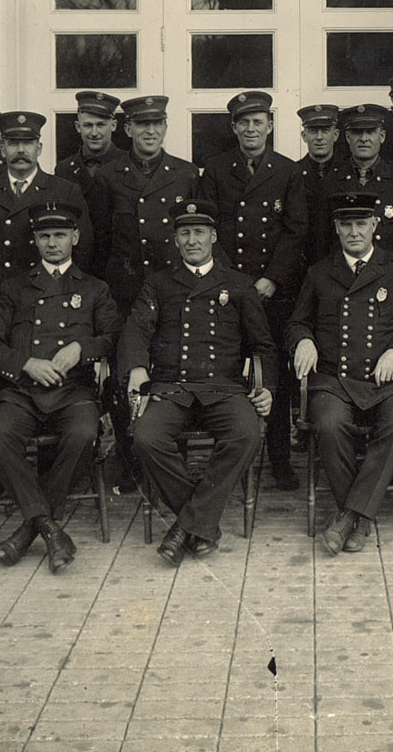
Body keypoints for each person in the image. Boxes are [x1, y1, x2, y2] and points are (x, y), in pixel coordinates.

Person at [120, 200, 277, 566]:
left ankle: (184, 527)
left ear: (213, 237)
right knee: (146, 437)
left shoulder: (237, 285)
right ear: (175, 240)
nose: (192, 240)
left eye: (199, 232)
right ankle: (201, 524)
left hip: (223, 388)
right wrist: (137, 369)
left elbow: (263, 345)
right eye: (185, 233)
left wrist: (266, 387)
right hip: (172, 387)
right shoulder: (159, 283)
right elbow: (136, 330)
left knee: (246, 434)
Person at [0, 202, 122, 573]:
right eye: (45, 236)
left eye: (60, 235)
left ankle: (29, 529)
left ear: (75, 237)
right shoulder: (13, 289)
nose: (53, 243)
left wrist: (81, 348)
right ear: (35, 241)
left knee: (84, 434)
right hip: (22, 390)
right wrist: (26, 362)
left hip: (74, 391)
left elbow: (113, 336)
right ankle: (49, 527)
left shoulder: (94, 289)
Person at [287, 192, 393, 555]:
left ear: (374, 226)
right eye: (346, 224)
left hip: (386, 379)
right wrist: (303, 340)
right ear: (336, 228)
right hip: (334, 378)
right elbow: (298, 321)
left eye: (361, 224)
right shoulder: (319, 272)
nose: (354, 231)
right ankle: (361, 517)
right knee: (330, 424)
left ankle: (349, 516)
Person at [200, 91, 309, 491]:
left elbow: (297, 230)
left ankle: (279, 459)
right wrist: (237, 281)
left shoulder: (287, 171)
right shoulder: (214, 170)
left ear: (270, 125)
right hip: (229, 290)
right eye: (243, 122)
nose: (251, 128)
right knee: (225, 368)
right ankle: (227, 457)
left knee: (272, 376)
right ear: (233, 127)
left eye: (258, 121)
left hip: (274, 294)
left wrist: (272, 279)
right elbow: (210, 228)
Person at [0, 111, 94, 306]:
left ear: (39, 148)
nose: (21, 150)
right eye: (13, 143)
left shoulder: (64, 190)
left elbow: (83, 250)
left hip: (48, 298)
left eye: (28, 143)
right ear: (2, 149)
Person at [98, 94, 202, 311]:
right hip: (126, 288)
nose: (151, 131)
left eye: (158, 124)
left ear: (165, 127)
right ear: (128, 130)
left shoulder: (186, 173)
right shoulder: (108, 176)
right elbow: (101, 240)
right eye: (143, 124)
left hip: (175, 285)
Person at [326, 104, 393, 284]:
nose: (364, 139)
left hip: (391, 283)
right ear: (347, 137)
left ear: (382, 136)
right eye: (357, 133)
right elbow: (323, 243)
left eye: (370, 132)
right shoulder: (331, 183)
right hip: (344, 283)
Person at [294, 103, 343, 272]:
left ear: (335, 134)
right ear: (304, 135)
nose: (319, 137)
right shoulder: (291, 174)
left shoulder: (348, 173)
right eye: (313, 131)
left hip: (340, 267)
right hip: (301, 268)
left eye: (326, 130)